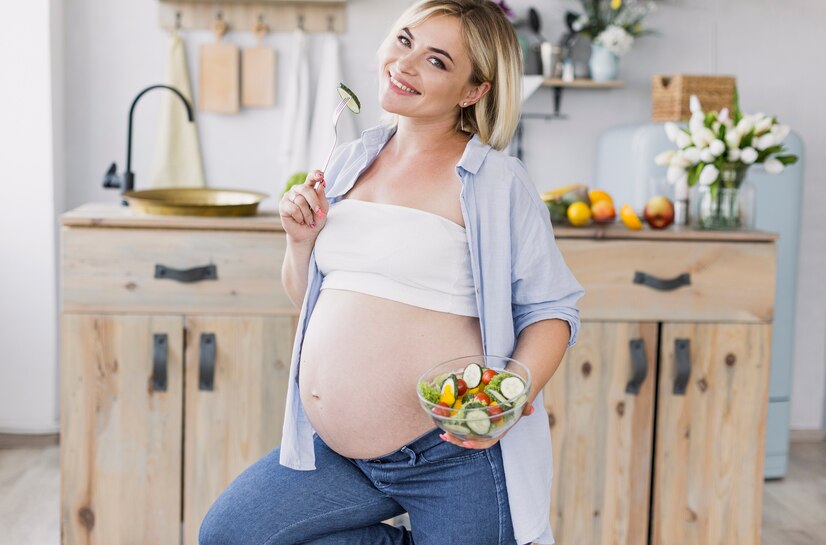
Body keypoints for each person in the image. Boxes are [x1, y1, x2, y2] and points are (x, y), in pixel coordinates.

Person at [199, 1, 583, 544]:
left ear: (474, 91)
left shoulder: (496, 181)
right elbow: (310, 298)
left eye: (437, 61)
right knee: (232, 535)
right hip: (338, 456)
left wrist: (511, 391)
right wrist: (299, 242)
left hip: (449, 457)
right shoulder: (348, 161)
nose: (405, 65)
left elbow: (552, 310)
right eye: (404, 41)